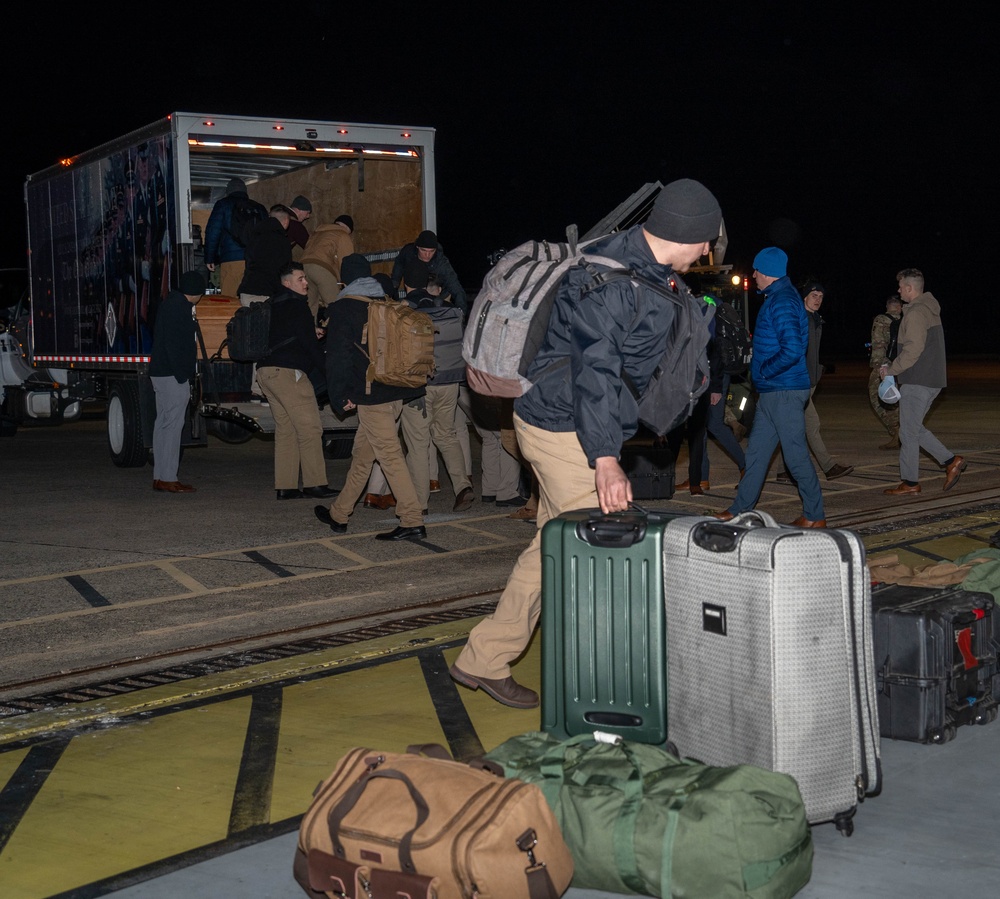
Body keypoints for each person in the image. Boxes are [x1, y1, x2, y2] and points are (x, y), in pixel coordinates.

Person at [449, 178, 723, 708]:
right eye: (706, 240)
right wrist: (603, 458)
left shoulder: (644, 270)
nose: (708, 251)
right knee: (613, 552)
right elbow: (594, 372)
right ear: (685, 233)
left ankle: (482, 659)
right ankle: (623, 689)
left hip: (568, 422)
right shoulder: (609, 282)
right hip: (563, 429)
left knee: (551, 547)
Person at [313, 254, 427, 541]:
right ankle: (339, 514)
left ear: (345, 279)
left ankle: (412, 518)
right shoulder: (386, 304)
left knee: (389, 455)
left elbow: (338, 359)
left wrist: (340, 397)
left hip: (370, 396)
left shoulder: (343, 308)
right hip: (394, 392)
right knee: (363, 456)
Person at [715, 247, 826, 528]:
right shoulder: (777, 298)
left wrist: (763, 370)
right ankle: (740, 508)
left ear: (767, 273)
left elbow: (792, 349)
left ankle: (815, 515)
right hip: (773, 391)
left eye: (756, 270)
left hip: (783, 390)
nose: (753, 275)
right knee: (757, 453)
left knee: (795, 455)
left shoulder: (784, 302)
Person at [397, 260, 475, 513]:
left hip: (420, 386)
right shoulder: (450, 309)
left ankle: (419, 504)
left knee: (418, 444)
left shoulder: (407, 310)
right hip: (450, 383)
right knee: (446, 435)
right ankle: (463, 486)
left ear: (406, 283)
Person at [256, 263, 339, 501]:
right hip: (287, 373)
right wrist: (330, 375)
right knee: (311, 429)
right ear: (287, 283)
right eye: (300, 279)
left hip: (266, 372)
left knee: (287, 430)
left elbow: (289, 334)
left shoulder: (274, 304)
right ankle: (316, 484)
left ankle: (286, 487)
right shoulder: (297, 306)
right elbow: (311, 349)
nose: (306, 283)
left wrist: (309, 331)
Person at [880, 268, 965, 495]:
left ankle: (910, 482)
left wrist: (891, 370)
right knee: (913, 428)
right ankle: (950, 461)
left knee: (908, 432)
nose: (898, 291)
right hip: (930, 378)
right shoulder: (929, 308)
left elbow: (913, 349)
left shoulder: (917, 312)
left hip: (918, 379)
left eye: (900, 287)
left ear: (909, 288)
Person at [775, 281, 854, 484]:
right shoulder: (802, 319)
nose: (818, 299)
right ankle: (828, 467)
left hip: (808, 379)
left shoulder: (814, 318)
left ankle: (783, 470)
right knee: (810, 425)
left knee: (789, 426)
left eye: (820, 296)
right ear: (804, 297)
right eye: (814, 295)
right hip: (799, 381)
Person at [148, 270, 206, 493]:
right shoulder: (180, 309)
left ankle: (160, 477)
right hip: (172, 375)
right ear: (197, 293)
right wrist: (184, 375)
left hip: (161, 373)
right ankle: (169, 477)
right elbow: (176, 346)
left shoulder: (168, 304)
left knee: (162, 424)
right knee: (173, 426)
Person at [204, 179, 267, 298]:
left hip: (231, 259)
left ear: (228, 191)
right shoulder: (259, 208)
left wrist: (209, 258)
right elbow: (266, 236)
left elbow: (213, 232)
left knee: (230, 299)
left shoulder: (223, 205)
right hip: (254, 262)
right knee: (252, 299)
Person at [391, 230, 467, 317]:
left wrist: (461, 313)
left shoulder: (441, 263)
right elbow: (398, 267)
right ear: (417, 247)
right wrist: (394, 290)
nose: (427, 255)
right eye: (423, 250)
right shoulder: (408, 253)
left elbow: (456, 288)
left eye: (431, 251)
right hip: (416, 295)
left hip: (439, 295)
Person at [300, 214, 355, 319]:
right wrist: (346, 285)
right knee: (335, 307)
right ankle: (336, 334)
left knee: (310, 307)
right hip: (322, 269)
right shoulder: (342, 235)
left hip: (303, 268)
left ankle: (311, 332)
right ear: (348, 229)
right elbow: (347, 263)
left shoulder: (317, 233)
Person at [238, 205, 294, 304]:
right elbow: (285, 268)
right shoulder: (282, 241)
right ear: (286, 221)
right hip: (268, 292)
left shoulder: (255, 235)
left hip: (247, 289)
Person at [869, 295, 903, 449]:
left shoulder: (881, 320)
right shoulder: (907, 319)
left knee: (878, 397)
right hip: (904, 365)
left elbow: (878, 344)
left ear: (887, 305)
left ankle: (897, 432)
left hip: (885, 366)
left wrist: (878, 367)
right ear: (900, 307)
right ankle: (902, 432)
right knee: (900, 399)